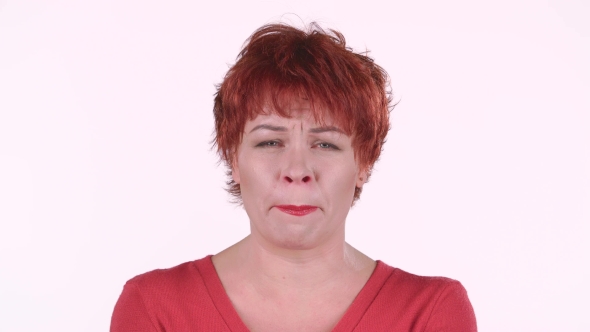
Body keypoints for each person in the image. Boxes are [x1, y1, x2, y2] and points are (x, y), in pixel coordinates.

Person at [110, 22, 477, 331]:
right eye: (270, 141)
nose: (297, 171)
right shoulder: (154, 308)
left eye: (326, 145)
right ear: (233, 159)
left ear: (364, 163)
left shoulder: (431, 313)